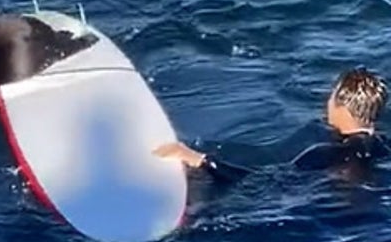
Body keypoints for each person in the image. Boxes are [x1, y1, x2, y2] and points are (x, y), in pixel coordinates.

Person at [154, 67, 390, 183]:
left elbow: (260, 181)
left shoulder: (324, 153)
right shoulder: (383, 148)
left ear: (340, 104)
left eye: (331, 96)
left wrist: (201, 161)